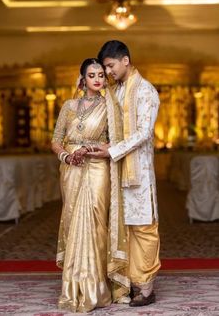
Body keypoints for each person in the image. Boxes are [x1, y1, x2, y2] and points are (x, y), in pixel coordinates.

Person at [51, 58, 129, 313]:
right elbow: (56, 140)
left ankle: (97, 286)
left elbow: (117, 140)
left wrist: (91, 148)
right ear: (82, 78)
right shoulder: (69, 106)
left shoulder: (110, 106)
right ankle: (73, 287)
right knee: (74, 220)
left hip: (96, 167)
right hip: (71, 169)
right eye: (91, 75)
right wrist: (66, 155)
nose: (97, 79)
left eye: (100, 75)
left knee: (96, 220)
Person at [87, 40, 161, 307]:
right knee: (122, 228)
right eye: (105, 67)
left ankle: (147, 287)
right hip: (116, 171)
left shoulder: (146, 92)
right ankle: (125, 284)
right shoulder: (115, 91)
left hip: (138, 172)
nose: (107, 71)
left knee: (143, 228)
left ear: (125, 60)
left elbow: (143, 133)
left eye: (110, 65)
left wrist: (112, 150)